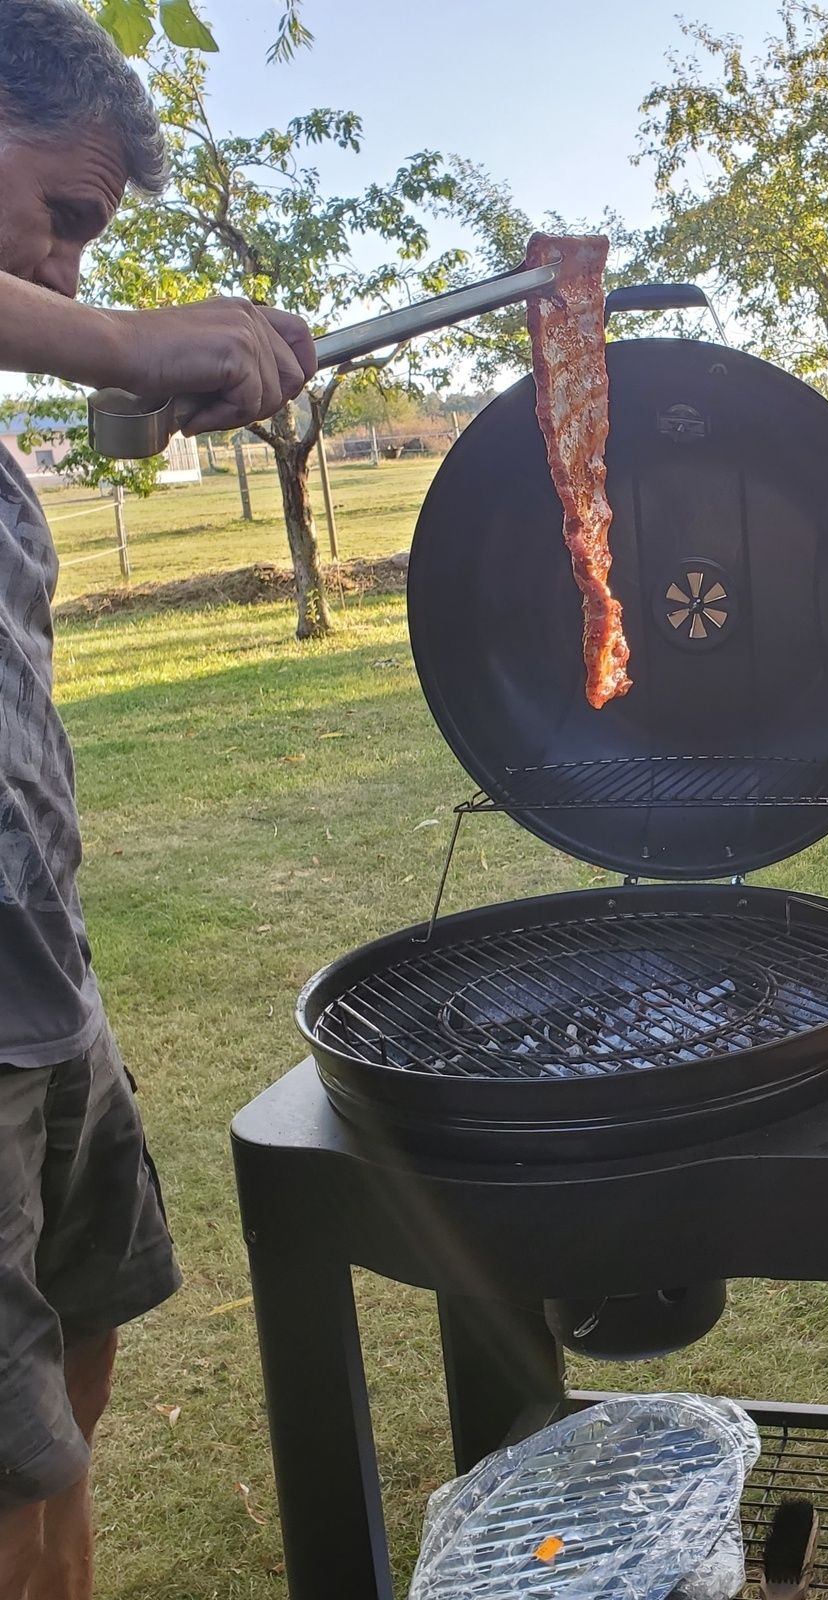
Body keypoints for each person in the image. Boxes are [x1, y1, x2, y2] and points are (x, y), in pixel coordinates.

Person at [0, 4, 316, 1594]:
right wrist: (124, 335)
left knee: (81, 1351)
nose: (69, 269)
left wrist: (161, 370)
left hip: (45, 980)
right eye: (61, 219)